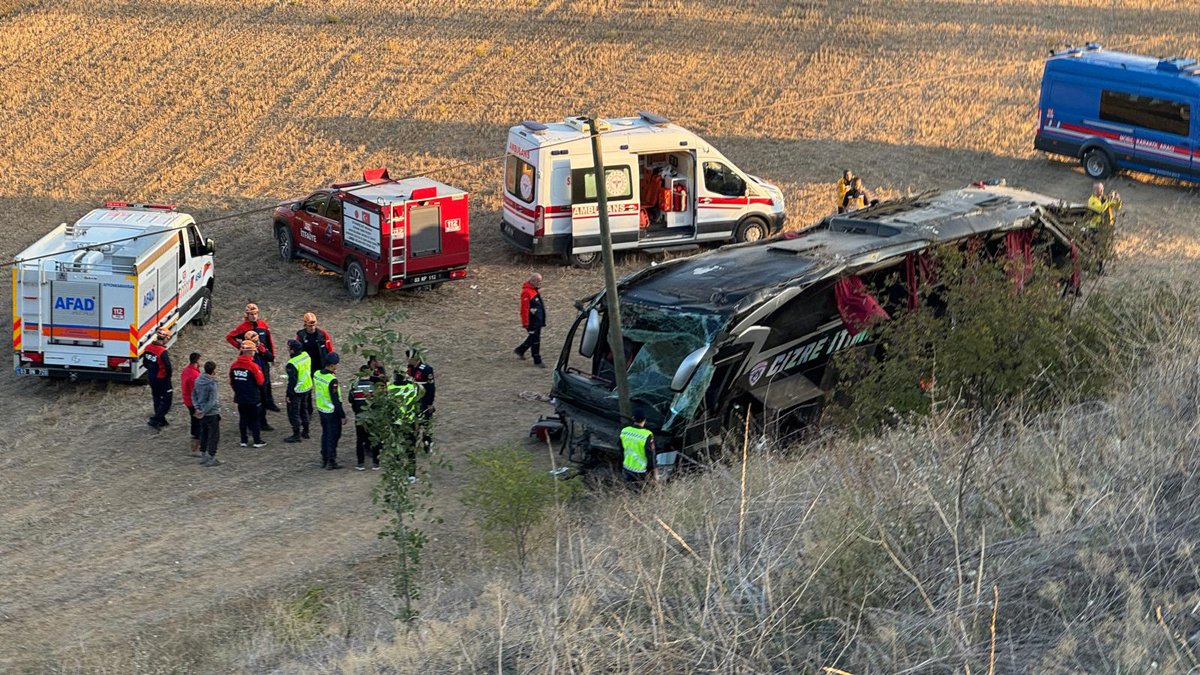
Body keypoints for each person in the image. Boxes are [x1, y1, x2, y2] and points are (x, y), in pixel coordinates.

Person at [225, 303, 279, 412]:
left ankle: (269, 402)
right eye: (251, 314)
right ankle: (259, 403)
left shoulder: (263, 325)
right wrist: (240, 346)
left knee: (267, 380)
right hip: (251, 357)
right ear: (247, 315)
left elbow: (269, 341)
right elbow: (229, 337)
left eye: (255, 314)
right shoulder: (243, 327)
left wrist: (272, 356)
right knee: (254, 380)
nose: (254, 316)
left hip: (263, 356)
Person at [297, 312, 335, 422]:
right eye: (309, 325)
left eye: (313, 325)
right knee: (307, 390)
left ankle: (327, 407)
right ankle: (308, 410)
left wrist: (331, 367)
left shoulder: (322, 334)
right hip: (307, 367)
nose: (312, 327)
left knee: (324, 387)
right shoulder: (301, 336)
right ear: (305, 325)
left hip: (321, 366)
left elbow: (330, 350)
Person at [229, 339, 267, 448]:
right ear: (250, 352)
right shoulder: (253, 366)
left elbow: (232, 382)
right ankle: (257, 441)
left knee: (243, 419)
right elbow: (260, 381)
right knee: (255, 419)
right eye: (254, 351)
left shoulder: (234, 365)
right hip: (253, 397)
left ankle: (243, 440)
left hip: (240, 397)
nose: (255, 353)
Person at [313, 352, 346, 470]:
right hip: (331, 411)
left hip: (321, 409)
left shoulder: (316, 374)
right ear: (332, 365)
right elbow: (335, 399)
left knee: (325, 434)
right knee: (334, 436)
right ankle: (331, 461)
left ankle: (324, 457)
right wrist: (342, 415)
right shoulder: (332, 380)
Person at [389, 372, 424, 480]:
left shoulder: (390, 388)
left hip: (396, 422)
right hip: (409, 421)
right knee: (410, 449)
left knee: (396, 449)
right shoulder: (411, 387)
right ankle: (411, 475)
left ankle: (396, 474)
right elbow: (418, 401)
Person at [350, 364, 381, 471]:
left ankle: (360, 463)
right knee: (374, 438)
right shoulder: (374, 385)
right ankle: (376, 463)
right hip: (373, 416)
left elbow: (351, 399)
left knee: (360, 440)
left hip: (359, 417)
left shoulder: (355, 385)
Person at [191, 361, 222, 466]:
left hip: (201, 413)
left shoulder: (198, 380)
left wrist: (198, 408)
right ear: (213, 370)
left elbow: (193, 395)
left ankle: (203, 455)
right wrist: (204, 411)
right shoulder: (212, 383)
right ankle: (211, 457)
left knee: (203, 433)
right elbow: (212, 401)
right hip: (211, 413)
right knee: (213, 436)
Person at [244, 330, 274, 432]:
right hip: (253, 383)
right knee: (253, 405)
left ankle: (263, 422)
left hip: (263, 379)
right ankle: (252, 424)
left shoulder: (261, 347)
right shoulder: (246, 353)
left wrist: (264, 351)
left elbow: (271, 358)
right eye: (255, 341)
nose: (257, 343)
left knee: (263, 403)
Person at [513, 273, 546, 367]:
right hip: (532, 321)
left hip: (537, 320)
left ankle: (520, 350)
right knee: (535, 340)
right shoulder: (527, 292)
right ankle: (537, 360)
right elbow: (524, 308)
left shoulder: (534, 291)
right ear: (533, 281)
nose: (540, 283)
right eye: (538, 281)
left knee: (533, 338)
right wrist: (526, 322)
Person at [143, 327, 173, 429]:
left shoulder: (147, 347)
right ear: (165, 338)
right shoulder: (162, 351)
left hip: (151, 377)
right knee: (167, 400)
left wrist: (152, 370)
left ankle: (161, 421)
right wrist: (167, 376)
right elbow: (168, 367)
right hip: (162, 378)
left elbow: (145, 363)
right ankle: (155, 419)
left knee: (156, 398)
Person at [619, 407, 658, 488]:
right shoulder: (647, 435)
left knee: (629, 491)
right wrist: (654, 473)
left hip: (627, 468)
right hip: (641, 471)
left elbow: (621, 450)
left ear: (633, 418)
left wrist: (620, 466)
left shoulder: (624, 431)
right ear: (645, 419)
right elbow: (651, 456)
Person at [283, 339, 312, 443]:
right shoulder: (306, 355)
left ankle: (296, 434)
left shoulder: (292, 363)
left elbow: (292, 381)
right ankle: (306, 431)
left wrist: (288, 394)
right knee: (304, 409)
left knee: (294, 412)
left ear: (292, 350)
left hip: (297, 390)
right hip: (307, 386)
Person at [406, 351, 435, 453]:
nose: (408, 360)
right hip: (413, 400)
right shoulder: (409, 368)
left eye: (410, 358)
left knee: (426, 422)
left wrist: (430, 402)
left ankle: (427, 442)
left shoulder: (426, 369)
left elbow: (431, 387)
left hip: (424, 399)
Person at [180, 352, 202, 456]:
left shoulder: (186, 370)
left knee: (194, 420)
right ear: (197, 361)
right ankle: (196, 446)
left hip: (187, 399)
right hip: (193, 402)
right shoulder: (195, 375)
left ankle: (194, 435)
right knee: (197, 421)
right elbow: (196, 391)